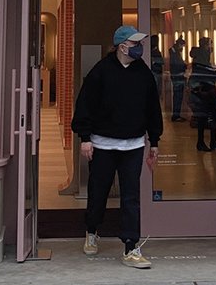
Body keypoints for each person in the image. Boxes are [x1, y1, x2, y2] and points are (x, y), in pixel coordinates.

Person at [71, 25, 163, 270]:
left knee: (131, 197)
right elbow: (85, 104)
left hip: (133, 144)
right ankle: (91, 230)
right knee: (98, 191)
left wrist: (154, 141)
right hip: (102, 144)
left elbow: (153, 108)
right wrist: (85, 138)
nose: (139, 48)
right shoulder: (101, 71)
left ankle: (131, 247)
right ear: (122, 46)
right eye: (135, 44)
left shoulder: (143, 74)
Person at [168, 38, 187, 120]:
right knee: (178, 96)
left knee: (177, 96)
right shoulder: (175, 53)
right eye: (182, 45)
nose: (182, 48)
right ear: (180, 45)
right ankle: (176, 115)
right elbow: (178, 64)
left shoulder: (174, 51)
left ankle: (176, 115)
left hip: (176, 76)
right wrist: (184, 66)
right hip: (178, 76)